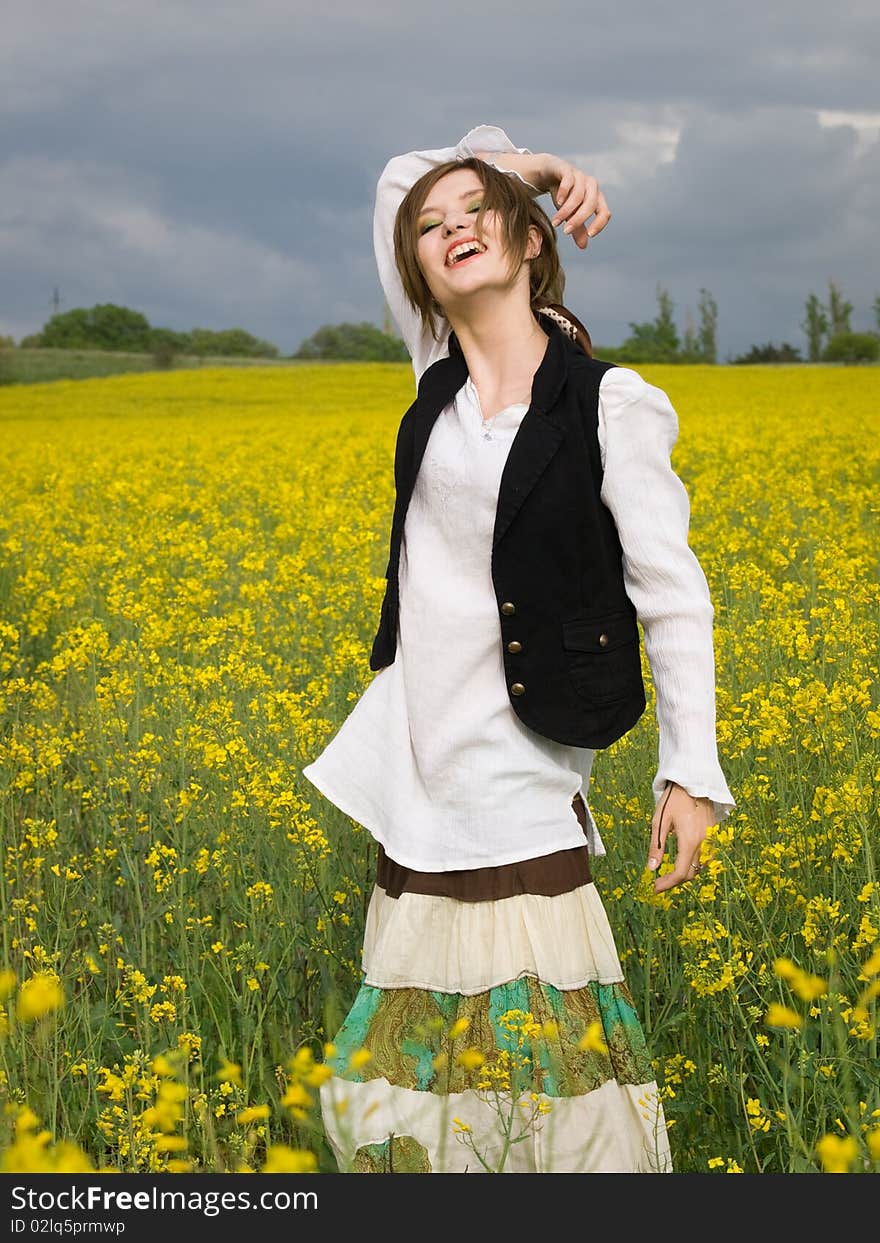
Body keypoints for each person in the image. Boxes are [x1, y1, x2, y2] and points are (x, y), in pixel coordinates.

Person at [301, 124, 736, 1173]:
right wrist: (521, 170)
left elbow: (671, 596)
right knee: (417, 1105)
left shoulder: (609, 403)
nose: (449, 228)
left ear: (533, 244)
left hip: (521, 778)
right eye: (433, 231)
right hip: (421, 784)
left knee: (560, 1102)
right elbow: (395, 180)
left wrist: (692, 769)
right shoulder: (433, 376)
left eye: (478, 216)